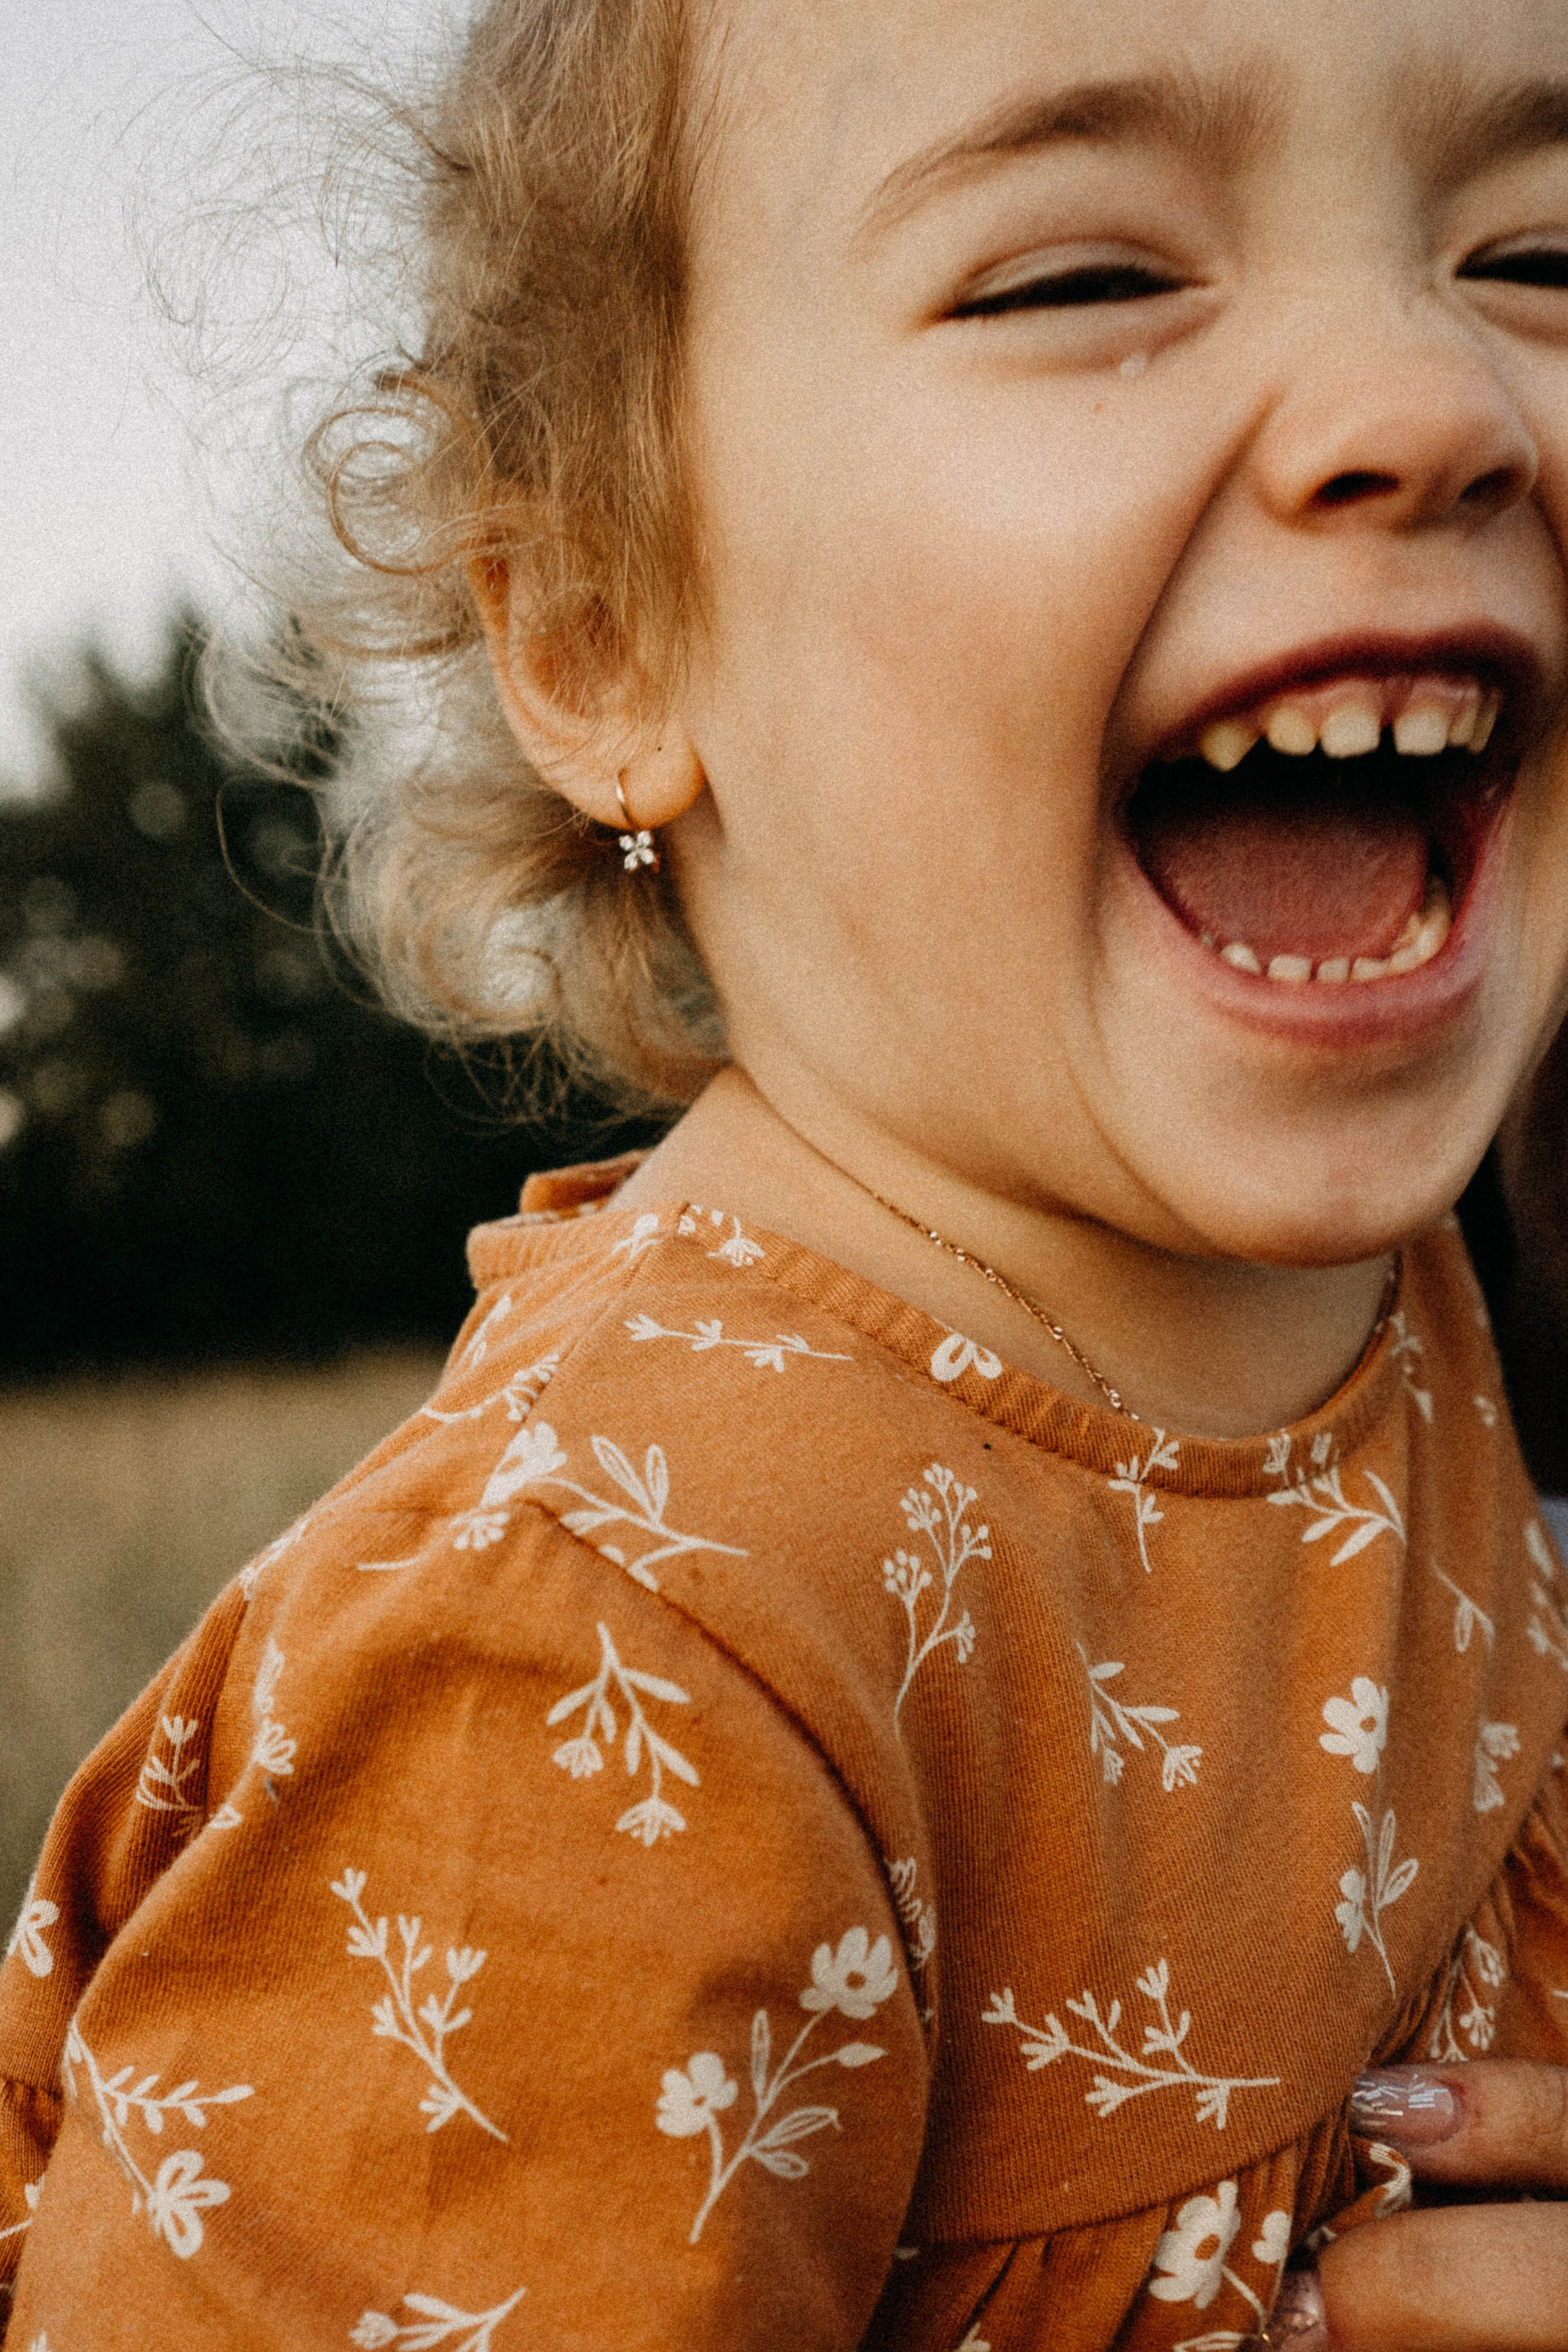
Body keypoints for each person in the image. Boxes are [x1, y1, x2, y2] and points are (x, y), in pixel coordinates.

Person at [6, 0, 1568, 2341]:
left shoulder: (1437, 1262)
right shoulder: (594, 1672)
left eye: (1542, 253)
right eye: (1082, 282)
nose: (1435, 403)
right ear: (614, 629)